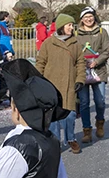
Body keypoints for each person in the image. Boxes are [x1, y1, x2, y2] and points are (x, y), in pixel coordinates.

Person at [35, 13, 85, 153]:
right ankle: (54, 141)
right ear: (61, 26)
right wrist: (37, 80)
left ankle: (71, 139)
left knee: (70, 115)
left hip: (69, 85)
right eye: (69, 25)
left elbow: (81, 63)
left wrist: (80, 79)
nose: (71, 27)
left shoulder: (75, 43)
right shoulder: (48, 43)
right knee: (53, 116)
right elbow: (41, 62)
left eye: (72, 25)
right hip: (51, 85)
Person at [75, 6, 109, 144]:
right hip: (82, 71)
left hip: (98, 71)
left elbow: (107, 50)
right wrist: (81, 62)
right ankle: (86, 130)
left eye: (90, 16)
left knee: (100, 101)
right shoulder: (76, 33)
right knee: (84, 103)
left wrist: (97, 61)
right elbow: (74, 50)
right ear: (81, 19)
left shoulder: (102, 32)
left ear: (94, 17)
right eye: (85, 17)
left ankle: (100, 122)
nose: (88, 19)